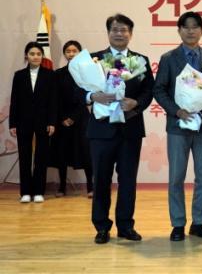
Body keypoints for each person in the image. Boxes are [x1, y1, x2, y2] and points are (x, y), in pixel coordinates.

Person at [75, 14, 154, 244]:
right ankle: (101, 226)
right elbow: (76, 90)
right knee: (101, 180)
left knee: (128, 180)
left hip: (130, 129)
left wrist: (136, 103)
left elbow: (149, 90)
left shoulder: (141, 60)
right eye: (115, 29)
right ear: (108, 32)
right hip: (101, 130)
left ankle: (126, 226)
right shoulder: (93, 60)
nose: (119, 33)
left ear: (131, 34)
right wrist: (92, 96)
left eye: (124, 30)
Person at [153, 12, 202, 242]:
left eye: (195, 27)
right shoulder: (168, 58)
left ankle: (199, 223)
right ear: (179, 30)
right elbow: (159, 89)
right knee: (176, 177)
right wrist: (177, 110)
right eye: (186, 27)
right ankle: (177, 224)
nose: (190, 31)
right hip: (178, 126)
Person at [9, 42, 57, 203]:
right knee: (24, 156)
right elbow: (14, 101)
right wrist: (12, 123)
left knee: (41, 157)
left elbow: (53, 101)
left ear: (42, 56)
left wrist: (52, 122)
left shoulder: (50, 75)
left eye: (38, 54)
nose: (35, 57)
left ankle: (38, 191)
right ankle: (25, 192)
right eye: (32, 54)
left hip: (43, 121)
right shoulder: (19, 75)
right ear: (26, 56)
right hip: (23, 121)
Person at [49, 40, 93, 198]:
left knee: (86, 153)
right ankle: (62, 187)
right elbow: (54, 99)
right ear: (64, 54)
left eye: (75, 51)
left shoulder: (87, 73)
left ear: (80, 53)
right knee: (62, 153)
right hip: (62, 119)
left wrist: (73, 117)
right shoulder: (58, 74)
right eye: (68, 51)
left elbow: (88, 97)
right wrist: (63, 118)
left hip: (81, 118)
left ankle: (90, 187)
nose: (71, 54)